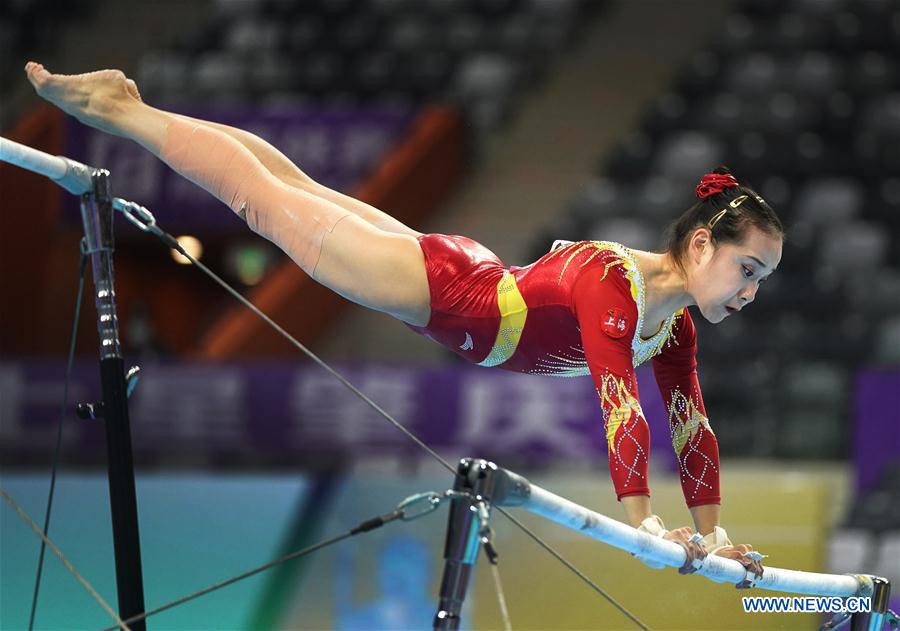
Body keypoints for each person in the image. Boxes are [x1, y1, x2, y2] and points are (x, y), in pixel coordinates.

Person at [25, 63, 781, 578]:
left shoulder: (673, 325)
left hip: (472, 278)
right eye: (747, 270)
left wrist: (712, 539)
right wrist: (646, 529)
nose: (750, 293)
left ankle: (132, 103)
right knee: (265, 199)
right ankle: (121, 111)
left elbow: (692, 428)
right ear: (702, 242)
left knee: (291, 184)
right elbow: (620, 403)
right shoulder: (617, 284)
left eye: (762, 281)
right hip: (449, 294)